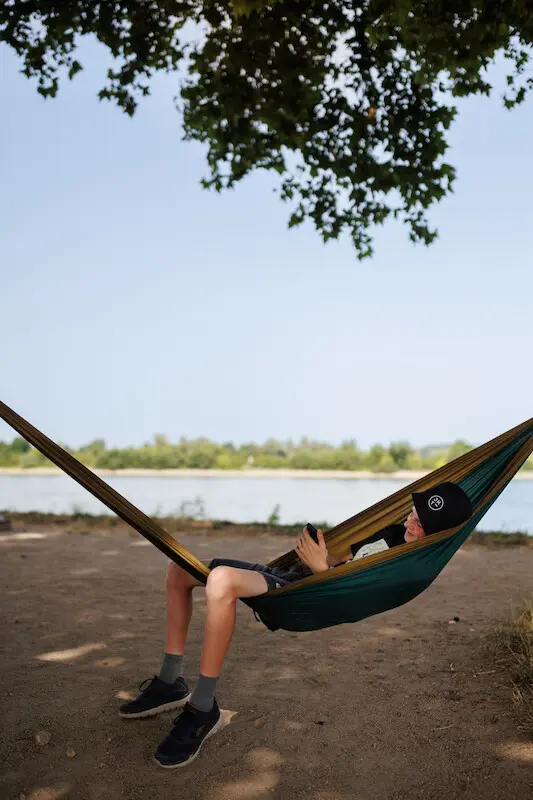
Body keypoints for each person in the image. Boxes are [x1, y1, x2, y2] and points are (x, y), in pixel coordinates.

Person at [119, 481, 472, 768]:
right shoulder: (396, 532)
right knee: (180, 570)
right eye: (412, 513)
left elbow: (350, 594)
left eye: (421, 525)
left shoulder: (408, 571)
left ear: (437, 536)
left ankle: (202, 708)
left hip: (311, 594)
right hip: (295, 577)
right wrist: (318, 555)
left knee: (222, 581)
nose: (410, 524)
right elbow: (346, 559)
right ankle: (170, 681)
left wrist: (321, 570)